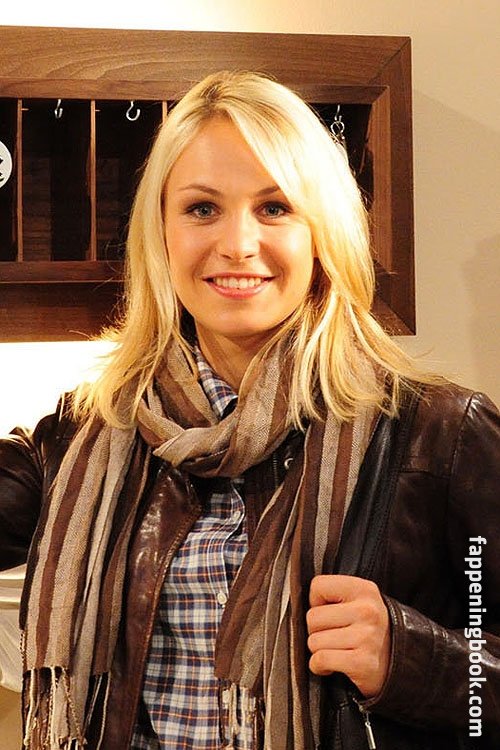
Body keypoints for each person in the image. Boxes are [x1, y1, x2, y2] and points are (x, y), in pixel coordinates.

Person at [0, 70, 498, 750]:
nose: (237, 244)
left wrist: (412, 660)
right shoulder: (82, 436)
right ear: (161, 232)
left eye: (275, 207)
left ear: (322, 230)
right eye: (202, 208)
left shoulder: (441, 436)